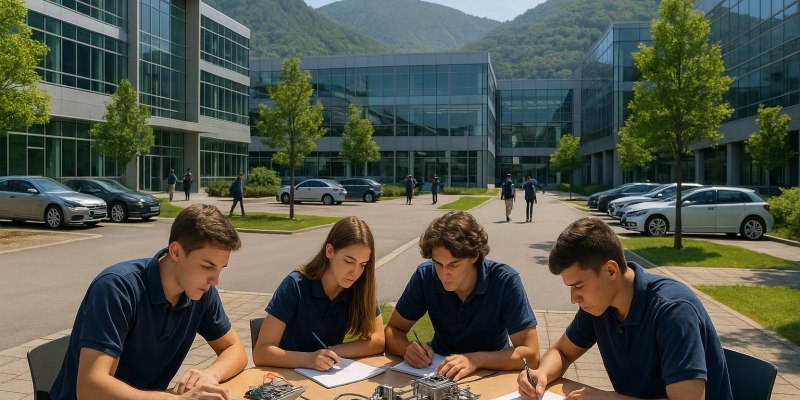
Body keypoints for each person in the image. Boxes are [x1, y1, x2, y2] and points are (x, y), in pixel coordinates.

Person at [517, 217, 732, 400]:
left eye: (579, 286)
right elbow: (562, 352)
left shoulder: (673, 311)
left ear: (611, 271)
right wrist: (542, 374)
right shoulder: (599, 305)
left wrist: (610, 398)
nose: (573, 299)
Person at [50, 204, 247, 400]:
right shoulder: (117, 288)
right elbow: (90, 387)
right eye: (207, 267)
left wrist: (211, 374)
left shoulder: (202, 293)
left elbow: (236, 349)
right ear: (176, 252)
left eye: (221, 268)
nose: (215, 280)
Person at [385, 211, 541, 381]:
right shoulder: (426, 276)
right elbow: (393, 330)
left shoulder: (505, 281)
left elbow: (531, 354)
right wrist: (406, 349)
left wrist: (475, 360)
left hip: (490, 373)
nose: (444, 274)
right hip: (437, 370)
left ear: (474, 255)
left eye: (454, 264)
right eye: (438, 264)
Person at [253, 217, 385, 371]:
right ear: (329, 251)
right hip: (286, 376)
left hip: (326, 377)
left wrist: (334, 351)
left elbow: (378, 340)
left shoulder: (359, 287)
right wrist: (309, 359)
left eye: (363, 265)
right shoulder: (295, 285)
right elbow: (261, 352)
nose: (355, 272)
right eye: (349, 261)